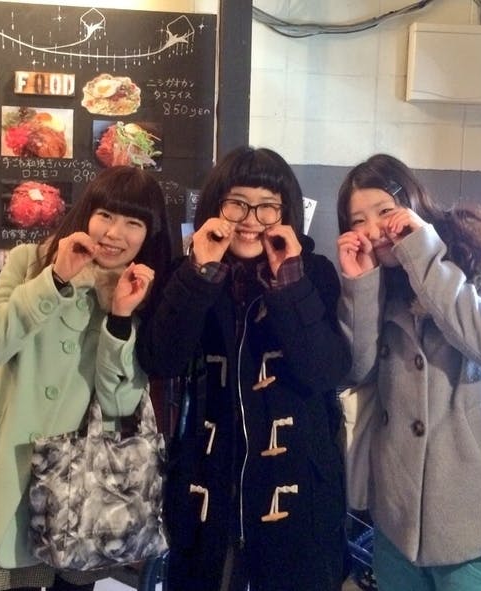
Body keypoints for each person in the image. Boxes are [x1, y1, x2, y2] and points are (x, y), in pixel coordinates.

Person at [0, 165, 172, 591]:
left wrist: (120, 319)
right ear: (87, 214)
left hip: (83, 485)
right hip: (11, 469)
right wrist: (55, 280)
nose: (114, 233)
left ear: (149, 235)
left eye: (133, 223)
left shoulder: (141, 293)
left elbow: (121, 405)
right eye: (105, 215)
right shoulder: (31, 262)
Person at [136, 146, 350, 591]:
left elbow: (325, 371)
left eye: (268, 206)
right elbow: (160, 358)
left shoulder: (314, 273)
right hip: (207, 477)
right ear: (216, 207)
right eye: (237, 203)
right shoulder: (187, 271)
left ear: (286, 214)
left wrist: (288, 280)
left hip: (296, 483)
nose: (251, 219)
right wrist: (200, 272)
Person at [335, 154, 481, 591]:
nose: (373, 229)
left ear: (413, 203)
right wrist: (360, 286)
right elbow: (357, 370)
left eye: (384, 211)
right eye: (358, 221)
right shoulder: (384, 283)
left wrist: (424, 255)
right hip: (398, 527)